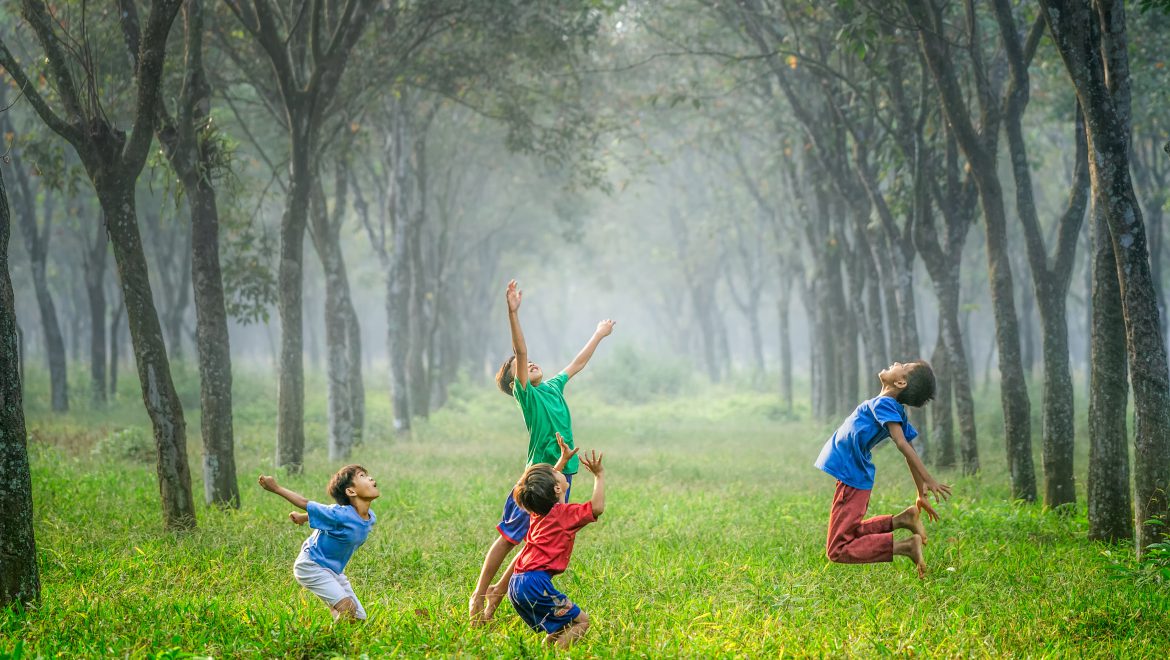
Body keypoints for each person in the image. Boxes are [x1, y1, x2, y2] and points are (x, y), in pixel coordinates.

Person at [469, 279, 614, 623]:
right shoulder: (528, 396)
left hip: (563, 475)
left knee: (535, 543)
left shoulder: (552, 387)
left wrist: (598, 334)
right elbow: (519, 351)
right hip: (537, 479)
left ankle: (494, 604)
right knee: (508, 539)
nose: (529, 362)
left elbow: (577, 363)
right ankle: (479, 597)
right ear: (513, 382)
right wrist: (512, 312)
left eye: (531, 361)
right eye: (519, 366)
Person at [814, 360, 951, 578]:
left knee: (837, 549)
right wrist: (920, 492)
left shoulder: (886, 404)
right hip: (852, 476)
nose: (897, 362)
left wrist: (928, 479)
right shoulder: (890, 407)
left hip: (852, 477)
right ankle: (902, 520)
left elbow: (903, 444)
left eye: (903, 365)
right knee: (850, 532)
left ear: (900, 382)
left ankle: (905, 547)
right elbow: (908, 449)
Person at [507, 444, 605, 648]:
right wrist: (599, 475)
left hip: (517, 583)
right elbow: (597, 508)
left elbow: (545, 486)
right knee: (582, 622)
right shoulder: (565, 515)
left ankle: (545, 650)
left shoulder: (538, 511)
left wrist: (562, 461)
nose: (557, 470)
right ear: (557, 488)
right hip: (535, 585)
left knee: (561, 625)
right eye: (555, 472)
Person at [258, 465, 379, 620]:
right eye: (362, 476)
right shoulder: (339, 514)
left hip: (334, 572)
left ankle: (336, 613)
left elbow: (327, 515)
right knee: (348, 610)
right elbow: (306, 503)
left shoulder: (370, 517)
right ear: (351, 491)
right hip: (311, 565)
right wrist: (276, 488)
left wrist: (303, 517)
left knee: (358, 618)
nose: (370, 478)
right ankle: (326, 640)